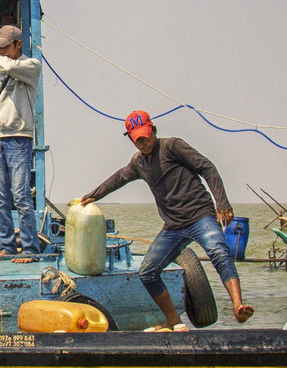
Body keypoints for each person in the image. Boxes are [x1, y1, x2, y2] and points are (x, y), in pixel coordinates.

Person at [80, 110, 254, 328]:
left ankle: (238, 306)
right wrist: (93, 195)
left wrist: (222, 202)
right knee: (147, 272)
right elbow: (119, 178)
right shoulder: (139, 163)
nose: (144, 144)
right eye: (138, 140)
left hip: (200, 216)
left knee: (219, 253)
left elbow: (207, 167)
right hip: (173, 226)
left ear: (153, 129)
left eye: (146, 137)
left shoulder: (173, 146)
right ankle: (173, 318)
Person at [0, 24, 42, 262]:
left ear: (18, 44)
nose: (1, 51)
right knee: (0, 197)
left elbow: (12, 66)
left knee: (22, 196)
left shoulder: (31, 66)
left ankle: (31, 250)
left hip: (19, 140)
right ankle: (7, 247)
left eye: (5, 46)